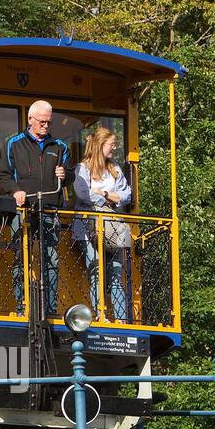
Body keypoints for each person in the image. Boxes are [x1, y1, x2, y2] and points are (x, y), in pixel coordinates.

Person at [0, 100, 70, 315]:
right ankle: (22, 306)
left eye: (49, 122)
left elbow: (71, 174)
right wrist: (15, 190)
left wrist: (65, 175)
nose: (46, 126)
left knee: (51, 260)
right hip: (23, 210)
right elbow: (3, 175)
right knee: (20, 256)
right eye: (42, 122)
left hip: (49, 210)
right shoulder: (13, 144)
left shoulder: (59, 146)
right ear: (30, 119)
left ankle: (50, 308)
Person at [72, 128, 133, 321]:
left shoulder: (114, 170)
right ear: (100, 145)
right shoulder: (83, 168)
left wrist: (104, 194)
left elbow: (127, 195)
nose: (114, 148)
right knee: (96, 270)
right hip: (87, 228)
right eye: (112, 144)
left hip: (112, 227)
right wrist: (107, 200)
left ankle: (121, 319)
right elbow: (83, 193)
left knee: (115, 272)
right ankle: (101, 314)